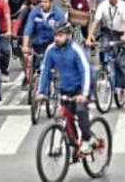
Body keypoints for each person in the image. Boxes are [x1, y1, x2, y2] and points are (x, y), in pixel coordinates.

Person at [36, 23, 95, 153]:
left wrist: (84, 94)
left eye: (61, 35)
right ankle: (73, 145)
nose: (57, 38)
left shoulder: (75, 49)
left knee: (80, 110)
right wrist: (41, 92)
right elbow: (45, 70)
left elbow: (85, 71)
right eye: (56, 35)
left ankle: (87, 139)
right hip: (65, 87)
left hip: (81, 86)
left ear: (68, 36)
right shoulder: (51, 50)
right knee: (65, 116)